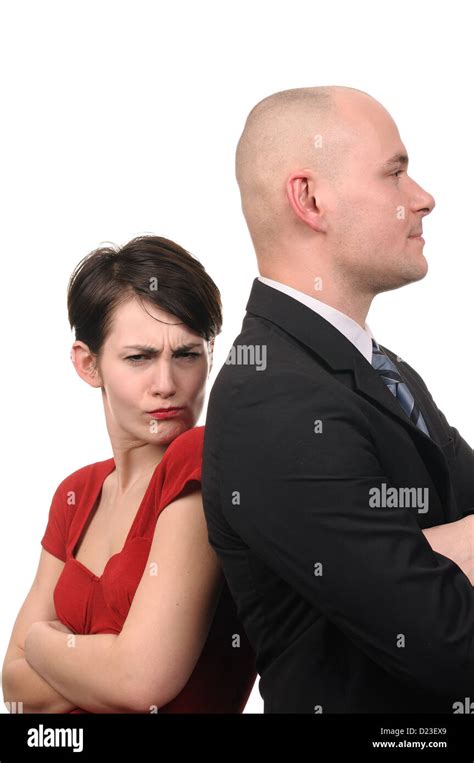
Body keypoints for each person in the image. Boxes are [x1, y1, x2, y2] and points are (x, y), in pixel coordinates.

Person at [201, 86, 474, 713]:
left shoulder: (380, 369)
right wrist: (426, 554)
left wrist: (429, 550)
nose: (423, 198)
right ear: (311, 199)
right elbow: (449, 642)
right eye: (395, 173)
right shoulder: (272, 399)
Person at [2, 235, 256, 713]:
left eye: (187, 355)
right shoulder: (75, 494)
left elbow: (140, 681)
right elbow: (12, 687)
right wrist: (104, 667)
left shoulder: (204, 460)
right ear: (88, 364)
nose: (167, 385)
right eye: (139, 358)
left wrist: (38, 643)